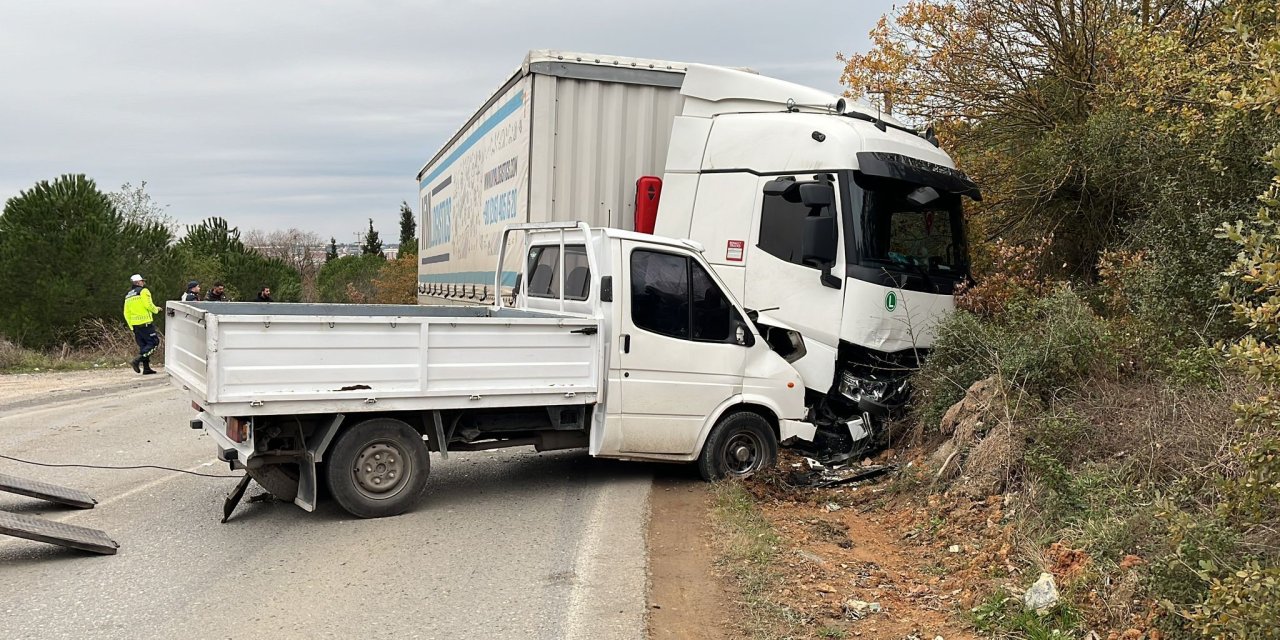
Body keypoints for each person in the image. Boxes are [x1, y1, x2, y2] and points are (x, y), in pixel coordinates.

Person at [122, 274, 160, 375]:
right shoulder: (144, 291)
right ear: (138, 282)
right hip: (145, 323)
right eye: (142, 281)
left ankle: (146, 368)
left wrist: (131, 326)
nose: (144, 283)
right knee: (154, 343)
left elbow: (126, 312)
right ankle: (137, 360)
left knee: (143, 346)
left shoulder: (128, 295)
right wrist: (156, 310)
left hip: (135, 325)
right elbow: (148, 305)